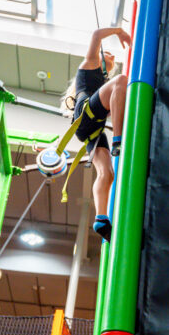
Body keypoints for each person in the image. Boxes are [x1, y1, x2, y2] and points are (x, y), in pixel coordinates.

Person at [61, 27, 132, 241]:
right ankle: (119, 141)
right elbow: (96, 35)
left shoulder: (101, 83)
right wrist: (119, 31)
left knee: (107, 173)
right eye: (107, 53)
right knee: (121, 81)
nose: (110, 55)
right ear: (99, 58)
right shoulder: (88, 67)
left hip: (91, 128)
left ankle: (101, 218)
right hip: (87, 118)